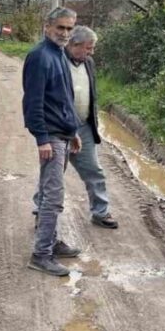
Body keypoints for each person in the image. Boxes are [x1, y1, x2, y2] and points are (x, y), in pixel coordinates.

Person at [22, 7, 83, 277]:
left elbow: (64, 98)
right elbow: (32, 102)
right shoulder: (39, 56)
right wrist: (41, 138)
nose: (65, 33)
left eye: (70, 29)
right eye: (61, 28)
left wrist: (74, 132)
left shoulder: (59, 54)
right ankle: (41, 254)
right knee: (53, 197)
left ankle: (51, 242)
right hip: (51, 137)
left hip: (64, 135)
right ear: (48, 27)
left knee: (48, 192)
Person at [62, 26, 117, 229]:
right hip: (59, 129)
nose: (91, 52)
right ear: (74, 44)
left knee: (94, 170)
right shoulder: (57, 62)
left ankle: (100, 212)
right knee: (53, 174)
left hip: (84, 127)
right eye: (88, 48)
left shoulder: (89, 63)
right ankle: (42, 213)